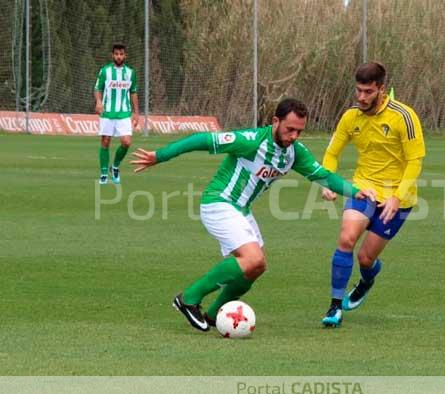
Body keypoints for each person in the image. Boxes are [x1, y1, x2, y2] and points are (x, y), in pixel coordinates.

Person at [130, 98, 375, 332]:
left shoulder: (294, 152)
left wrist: (355, 192)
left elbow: (323, 175)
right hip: (219, 203)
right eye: (290, 129)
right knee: (252, 258)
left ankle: (214, 314)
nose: (294, 136)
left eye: (299, 131)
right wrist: (160, 156)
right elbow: (202, 139)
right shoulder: (250, 141)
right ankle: (188, 298)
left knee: (256, 268)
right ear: (275, 121)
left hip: (241, 211)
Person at [319, 62, 426, 327]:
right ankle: (334, 307)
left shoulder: (404, 116)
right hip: (364, 189)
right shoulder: (350, 117)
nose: (361, 97)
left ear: (381, 88)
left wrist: (397, 197)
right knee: (346, 239)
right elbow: (332, 153)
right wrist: (327, 181)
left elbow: (415, 160)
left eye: (368, 91)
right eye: (358, 91)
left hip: (398, 198)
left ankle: (367, 279)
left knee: (366, 258)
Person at [94, 43, 139, 184]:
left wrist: (136, 112)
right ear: (112, 55)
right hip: (107, 113)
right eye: (116, 54)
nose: (119, 56)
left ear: (125, 55)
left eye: (121, 54)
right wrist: (98, 102)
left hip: (124, 113)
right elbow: (98, 88)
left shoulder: (131, 73)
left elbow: (133, 92)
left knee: (126, 142)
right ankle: (103, 173)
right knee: (105, 142)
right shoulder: (105, 71)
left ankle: (115, 166)